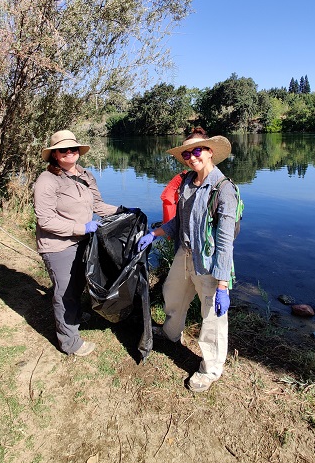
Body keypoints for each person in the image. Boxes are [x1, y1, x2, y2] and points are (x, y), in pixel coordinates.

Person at [138, 127, 237, 392]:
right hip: (184, 253)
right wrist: (155, 233)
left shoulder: (223, 189)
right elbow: (179, 223)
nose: (191, 157)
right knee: (173, 294)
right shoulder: (186, 182)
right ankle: (171, 334)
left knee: (212, 317)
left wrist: (222, 285)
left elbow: (226, 242)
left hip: (209, 262)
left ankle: (211, 368)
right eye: (187, 153)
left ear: (209, 152)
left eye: (197, 150)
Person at [34, 129, 132, 357]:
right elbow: (45, 219)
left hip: (84, 243)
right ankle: (69, 342)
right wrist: (81, 228)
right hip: (58, 246)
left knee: (78, 285)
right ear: (55, 155)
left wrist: (121, 210)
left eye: (73, 148)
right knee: (65, 292)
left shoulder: (86, 175)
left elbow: (97, 205)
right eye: (63, 150)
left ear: (79, 151)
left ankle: (74, 317)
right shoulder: (47, 180)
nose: (69, 153)